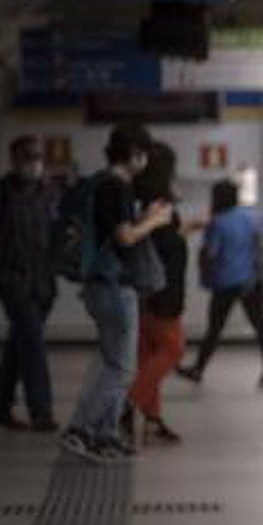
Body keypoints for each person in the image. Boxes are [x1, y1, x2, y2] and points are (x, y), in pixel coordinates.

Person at [61, 123, 172, 462]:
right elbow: (125, 237)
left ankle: (105, 434)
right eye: (144, 156)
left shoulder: (99, 184)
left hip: (100, 283)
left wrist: (145, 217)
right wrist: (155, 221)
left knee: (113, 362)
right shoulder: (117, 187)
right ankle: (79, 429)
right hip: (113, 284)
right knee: (121, 368)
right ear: (134, 154)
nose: (146, 163)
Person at [0, 136, 61, 432]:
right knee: (32, 342)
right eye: (28, 157)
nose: (34, 163)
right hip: (9, 278)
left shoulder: (49, 192)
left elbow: (60, 232)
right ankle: (42, 411)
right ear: (14, 160)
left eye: (38, 157)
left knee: (20, 341)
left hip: (43, 281)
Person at [178, 179, 263, 389]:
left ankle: (198, 369)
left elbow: (211, 253)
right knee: (260, 325)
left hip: (226, 283)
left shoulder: (218, 221)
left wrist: (205, 274)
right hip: (253, 281)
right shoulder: (255, 217)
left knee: (214, 327)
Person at [123, 141, 191, 444]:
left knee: (149, 351)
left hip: (143, 287)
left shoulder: (138, 198)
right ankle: (130, 404)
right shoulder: (158, 203)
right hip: (163, 288)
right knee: (172, 349)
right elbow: (164, 245)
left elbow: (156, 240)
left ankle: (152, 416)